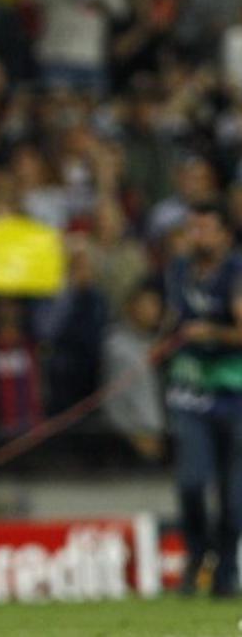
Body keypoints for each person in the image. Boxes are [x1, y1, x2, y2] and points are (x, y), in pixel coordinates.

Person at [164, 202, 242, 598]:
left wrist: (209, 333)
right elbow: (172, 318)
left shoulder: (236, 272)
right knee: (192, 482)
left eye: (206, 228)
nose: (197, 236)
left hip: (233, 394)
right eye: (192, 228)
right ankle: (197, 554)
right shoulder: (179, 270)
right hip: (190, 393)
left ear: (225, 234)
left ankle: (225, 572)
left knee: (233, 496)